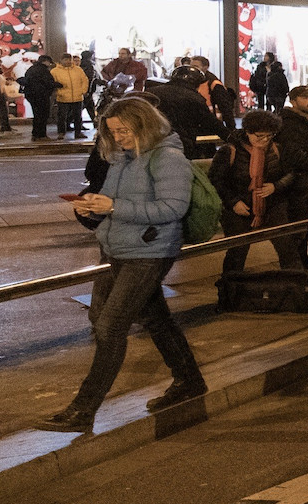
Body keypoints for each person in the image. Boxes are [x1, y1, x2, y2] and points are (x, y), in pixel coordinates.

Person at [35, 96, 206, 433]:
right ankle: (189, 380)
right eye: (112, 133)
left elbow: (172, 208)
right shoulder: (124, 158)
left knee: (110, 326)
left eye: (124, 131)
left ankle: (83, 409)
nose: (118, 138)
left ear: (144, 125)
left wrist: (113, 207)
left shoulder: (167, 157)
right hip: (117, 248)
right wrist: (93, 207)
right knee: (148, 317)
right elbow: (114, 202)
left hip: (149, 250)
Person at [209, 109, 308, 277]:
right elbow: (216, 180)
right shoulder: (230, 151)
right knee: (237, 253)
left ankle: (295, 290)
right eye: (259, 136)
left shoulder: (277, 149)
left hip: (273, 205)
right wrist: (233, 202)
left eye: (269, 136)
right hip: (239, 209)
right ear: (247, 132)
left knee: (287, 248)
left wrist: (276, 186)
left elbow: (291, 173)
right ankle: (230, 293)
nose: (264, 141)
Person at [52, 53, 92, 139]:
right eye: (65, 60)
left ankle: (78, 132)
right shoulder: (55, 71)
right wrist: (58, 93)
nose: (68, 62)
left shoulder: (78, 70)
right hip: (63, 98)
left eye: (69, 60)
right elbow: (53, 84)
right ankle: (61, 132)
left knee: (78, 116)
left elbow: (84, 80)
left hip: (77, 97)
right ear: (61, 60)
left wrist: (83, 91)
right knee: (62, 116)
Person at [21, 53, 57, 140]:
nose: (49, 64)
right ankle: (42, 135)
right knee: (43, 115)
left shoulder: (31, 69)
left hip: (31, 95)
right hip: (41, 95)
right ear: (45, 62)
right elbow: (48, 83)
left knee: (36, 115)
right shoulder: (43, 70)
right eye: (49, 62)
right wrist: (57, 85)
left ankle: (35, 134)